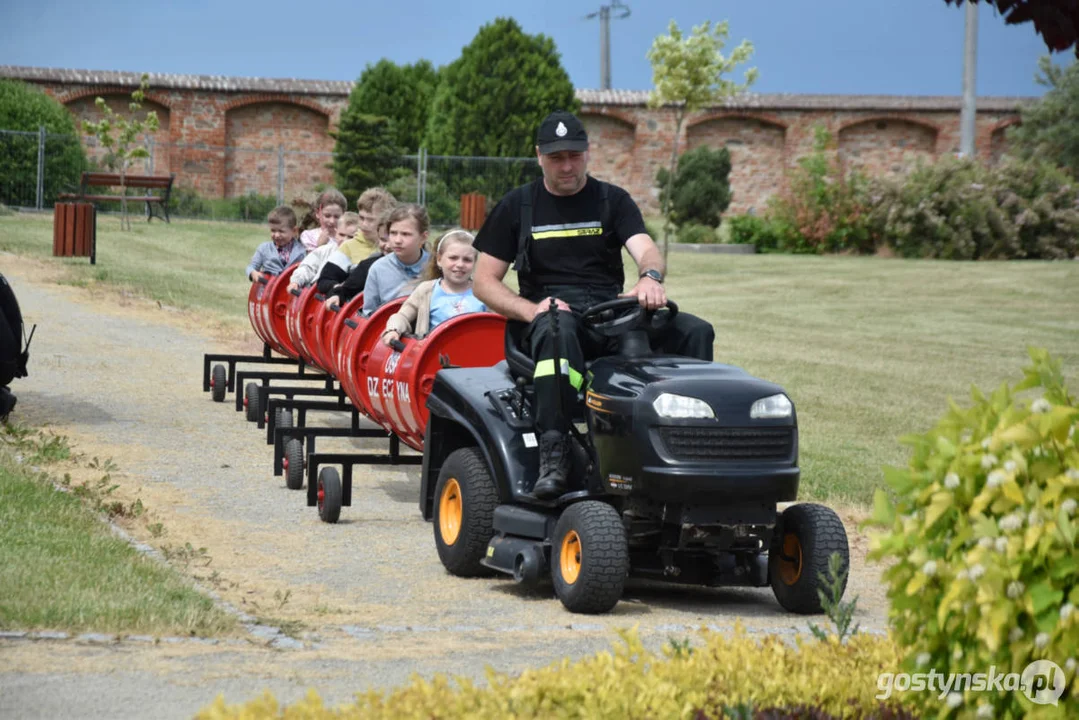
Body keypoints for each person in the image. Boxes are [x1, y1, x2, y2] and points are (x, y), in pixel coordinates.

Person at [472, 110, 715, 499]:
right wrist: (530, 309)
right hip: (549, 314)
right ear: (539, 156)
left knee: (695, 331)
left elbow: (646, 249)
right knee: (557, 329)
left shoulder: (611, 200)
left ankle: (694, 438)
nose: (567, 166)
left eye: (574, 155)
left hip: (609, 312)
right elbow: (483, 282)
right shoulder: (519, 207)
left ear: (587, 153)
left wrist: (650, 278)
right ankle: (555, 450)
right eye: (556, 158)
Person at [380, 229, 486, 346]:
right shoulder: (426, 290)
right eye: (453, 258)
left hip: (475, 359)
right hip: (434, 358)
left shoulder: (483, 293)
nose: (460, 264)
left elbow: (498, 326)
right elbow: (403, 316)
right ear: (439, 259)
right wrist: (393, 329)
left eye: (467, 260)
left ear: (475, 263)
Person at [360, 204, 432, 316]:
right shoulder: (378, 268)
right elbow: (369, 313)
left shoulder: (435, 266)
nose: (398, 240)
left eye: (406, 234)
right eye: (393, 233)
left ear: (423, 237)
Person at [323, 213, 392, 309]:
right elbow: (347, 287)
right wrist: (337, 294)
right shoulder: (370, 265)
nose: (388, 246)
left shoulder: (419, 269)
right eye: (383, 240)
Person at [288, 212, 361, 292]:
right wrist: (296, 281)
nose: (345, 240)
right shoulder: (324, 250)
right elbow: (308, 267)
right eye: (341, 235)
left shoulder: (360, 259)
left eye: (351, 237)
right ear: (336, 232)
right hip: (314, 294)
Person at [246, 206, 305, 283]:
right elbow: (251, 267)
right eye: (273, 231)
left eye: (281, 231)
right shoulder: (264, 248)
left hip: (289, 292)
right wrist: (253, 273)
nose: (276, 235)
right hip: (267, 290)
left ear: (294, 231)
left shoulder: (301, 251)